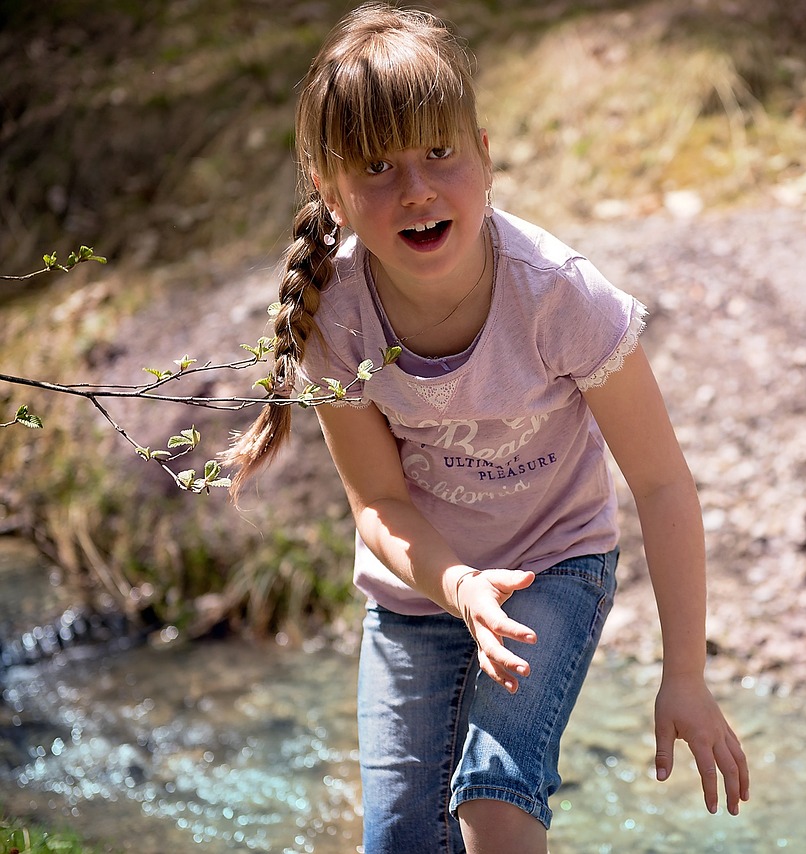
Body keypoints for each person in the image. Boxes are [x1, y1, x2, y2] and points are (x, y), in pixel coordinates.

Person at [224, 3, 748, 852]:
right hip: (418, 594)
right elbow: (378, 503)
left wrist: (683, 676)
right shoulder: (338, 317)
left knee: (494, 794)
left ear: (486, 155)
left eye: (441, 152)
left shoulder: (559, 297)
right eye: (378, 168)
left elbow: (659, 481)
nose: (418, 188)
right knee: (399, 838)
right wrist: (458, 586)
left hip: (554, 565)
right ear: (331, 191)